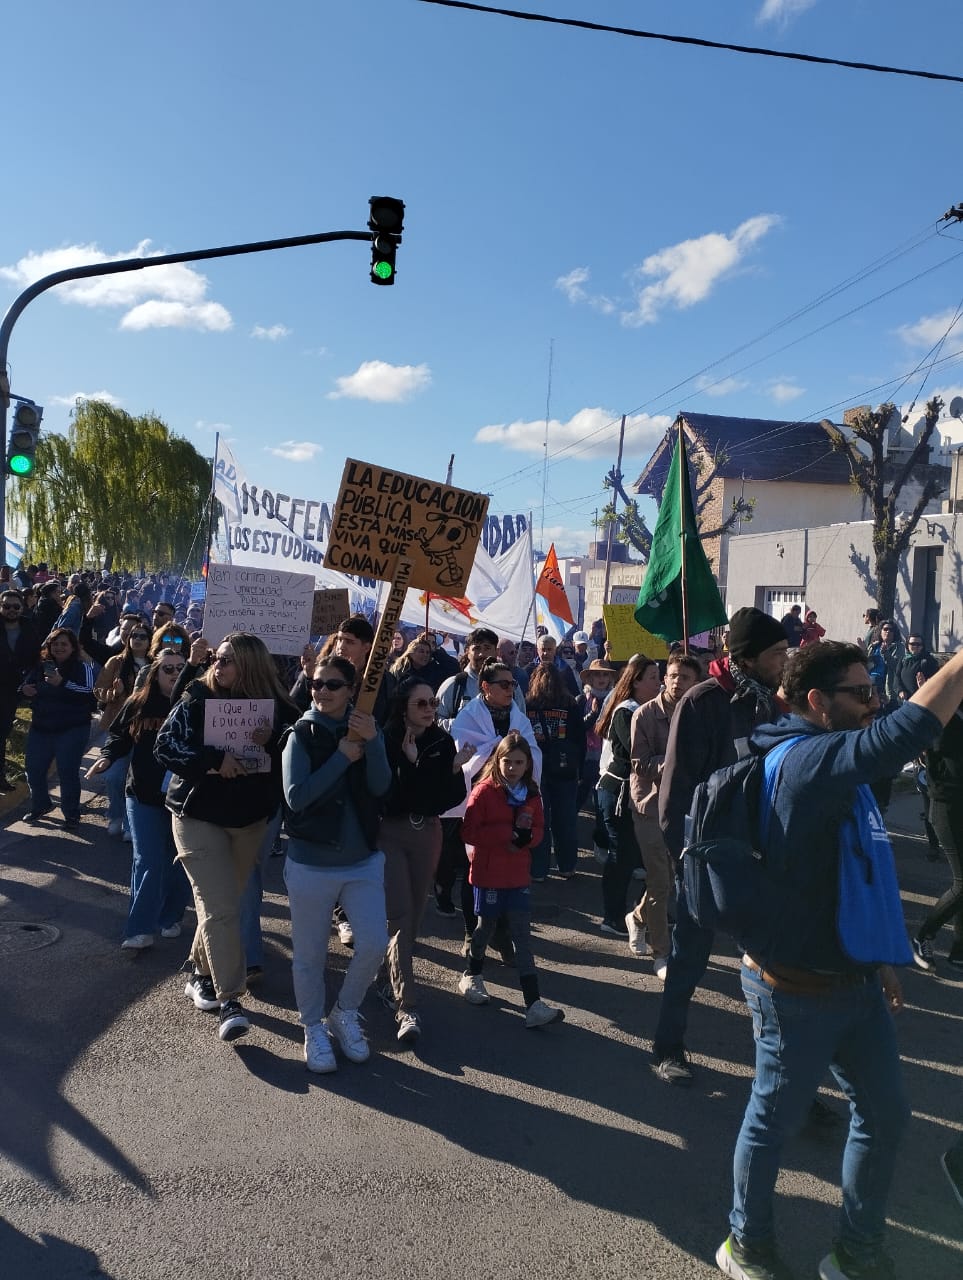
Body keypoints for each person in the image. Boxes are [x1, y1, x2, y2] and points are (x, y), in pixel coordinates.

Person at [716, 640, 963, 1280]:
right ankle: (745, 1244)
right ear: (818, 702)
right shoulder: (803, 761)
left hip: (852, 978)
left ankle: (855, 1253)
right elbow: (902, 733)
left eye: (873, 690)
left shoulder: (833, 769)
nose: (873, 703)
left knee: (884, 1114)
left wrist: (881, 955)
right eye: (861, 693)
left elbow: (856, 866)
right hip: (792, 988)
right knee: (773, 1122)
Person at [654, 608, 789, 1084]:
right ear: (747, 658)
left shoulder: (772, 703)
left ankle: (785, 1071)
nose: (784, 661)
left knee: (775, 972)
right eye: (776, 653)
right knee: (688, 958)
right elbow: (674, 794)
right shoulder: (700, 702)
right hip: (705, 857)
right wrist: (684, 860)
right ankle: (668, 1048)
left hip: (758, 857)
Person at [154, 632, 296, 1045]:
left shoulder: (281, 709)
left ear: (250, 666)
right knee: (219, 908)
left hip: (251, 821)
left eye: (228, 660)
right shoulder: (196, 697)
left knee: (223, 907)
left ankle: (200, 972)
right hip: (197, 815)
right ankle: (231, 1000)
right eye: (217, 657)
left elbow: (300, 748)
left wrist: (271, 739)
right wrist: (213, 761)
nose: (219, 664)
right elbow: (165, 746)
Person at [281, 656, 391, 1073]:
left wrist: (373, 741)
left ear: (351, 690)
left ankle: (345, 1012)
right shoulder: (302, 734)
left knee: (374, 944)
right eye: (315, 684)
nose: (321, 691)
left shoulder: (365, 729)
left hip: (362, 861)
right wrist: (342, 758)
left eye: (331, 685)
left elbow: (381, 786)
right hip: (310, 863)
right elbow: (296, 796)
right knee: (308, 956)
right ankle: (312, 1026)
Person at [380, 677, 472, 1043]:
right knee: (400, 914)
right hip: (390, 833)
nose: (431, 709)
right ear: (404, 707)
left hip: (427, 833)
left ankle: (385, 977)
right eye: (422, 703)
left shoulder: (441, 740)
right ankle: (407, 1005)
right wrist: (416, 768)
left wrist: (447, 771)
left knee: (415, 913)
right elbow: (394, 797)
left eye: (433, 702)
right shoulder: (386, 739)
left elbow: (448, 798)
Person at [457, 730, 563, 1028]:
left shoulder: (531, 793)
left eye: (519, 762)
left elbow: (540, 829)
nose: (513, 768)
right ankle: (472, 975)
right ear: (498, 761)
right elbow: (468, 832)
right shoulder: (484, 791)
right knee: (485, 927)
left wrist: (527, 839)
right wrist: (506, 835)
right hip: (488, 872)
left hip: (517, 874)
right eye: (508, 761)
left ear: (528, 763)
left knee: (522, 937)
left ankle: (533, 1003)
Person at [87, 649, 191, 949]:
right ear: (155, 673)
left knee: (179, 862)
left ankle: (170, 916)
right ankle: (139, 929)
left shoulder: (197, 703)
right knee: (148, 860)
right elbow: (118, 736)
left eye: (180, 668)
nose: (173, 673)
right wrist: (107, 757)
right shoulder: (138, 702)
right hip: (142, 794)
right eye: (167, 668)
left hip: (182, 799)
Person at [627, 653, 701, 978]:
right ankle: (662, 953)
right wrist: (672, 764)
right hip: (650, 805)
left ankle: (639, 916)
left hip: (685, 807)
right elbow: (639, 762)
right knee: (660, 881)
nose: (676, 682)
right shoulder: (644, 715)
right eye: (671, 675)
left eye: (684, 677)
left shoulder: (697, 713)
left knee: (670, 879)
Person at [595, 655, 661, 936]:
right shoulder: (627, 711)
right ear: (635, 682)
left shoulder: (650, 709)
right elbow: (630, 754)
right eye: (653, 678)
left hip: (640, 793)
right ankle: (612, 916)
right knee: (621, 856)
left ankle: (644, 910)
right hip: (618, 792)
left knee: (647, 856)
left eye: (660, 677)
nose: (659, 684)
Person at [21, 628, 97, 828]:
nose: (59, 647)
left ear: (73, 647)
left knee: (67, 772)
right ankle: (40, 805)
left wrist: (62, 683)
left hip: (72, 728)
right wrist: (25, 690)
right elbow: (27, 685)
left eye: (64, 644)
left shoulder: (83, 667)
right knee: (33, 769)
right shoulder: (41, 666)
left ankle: (71, 814)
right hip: (41, 726)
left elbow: (90, 694)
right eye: (55, 643)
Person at [911, 702, 963, 972]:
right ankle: (922, 937)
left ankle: (959, 951)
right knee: (962, 883)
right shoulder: (945, 718)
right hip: (948, 807)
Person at [525, 662, 585, 880]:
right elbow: (580, 739)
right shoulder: (570, 704)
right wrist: (578, 768)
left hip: (536, 769)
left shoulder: (528, 704)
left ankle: (538, 869)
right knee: (566, 820)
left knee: (540, 819)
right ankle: (567, 865)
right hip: (565, 768)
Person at [437, 627, 525, 725]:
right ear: (467, 652)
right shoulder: (454, 685)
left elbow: (522, 724)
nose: (481, 654)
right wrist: (463, 725)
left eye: (487, 648)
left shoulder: (511, 686)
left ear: (496, 652)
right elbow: (436, 721)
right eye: (476, 648)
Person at [0, 589, 41, 792]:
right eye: (6, 606)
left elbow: (35, 659)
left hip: (13, 689)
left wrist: (28, 682)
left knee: (3, 731)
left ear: (22, 608)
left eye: (15, 607)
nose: (11, 610)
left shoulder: (29, 628)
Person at [524, 633, 580, 699]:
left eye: (549, 649)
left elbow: (574, 693)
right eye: (543, 649)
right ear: (537, 650)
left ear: (554, 650)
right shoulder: (529, 669)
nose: (546, 653)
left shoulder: (564, 668)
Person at [896, 634, 938, 702]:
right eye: (913, 644)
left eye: (919, 644)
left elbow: (936, 680)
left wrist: (924, 686)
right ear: (907, 645)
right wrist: (900, 690)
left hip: (921, 700)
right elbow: (897, 677)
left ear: (922, 646)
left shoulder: (929, 660)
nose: (916, 646)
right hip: (905, 701)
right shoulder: (904, 659)